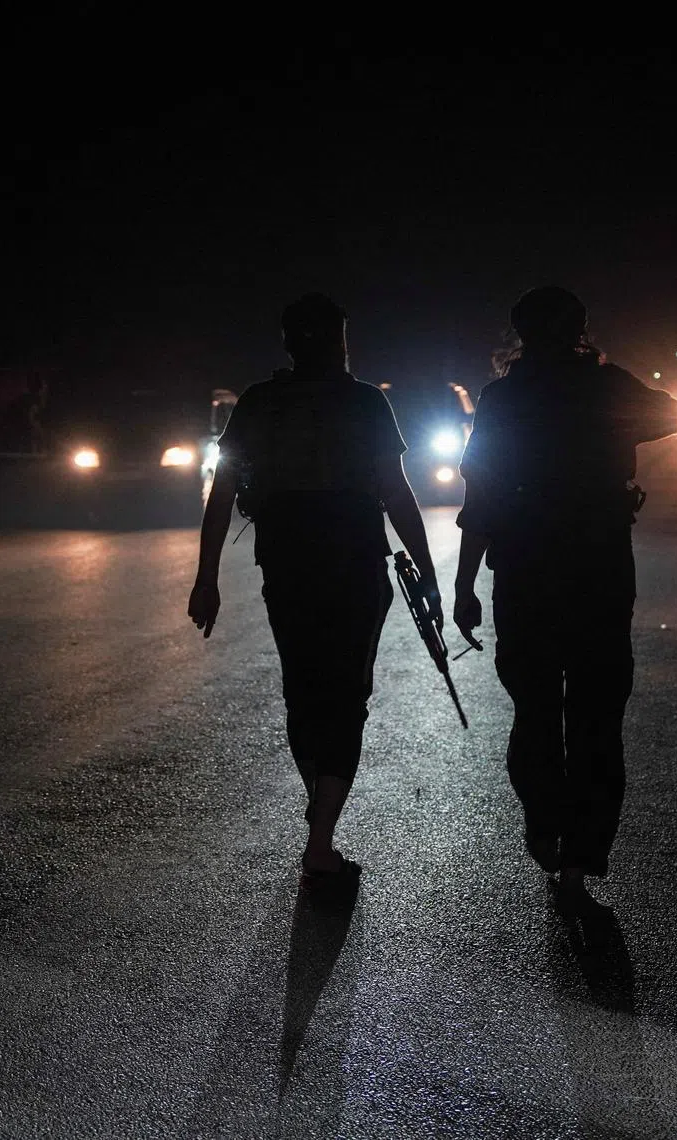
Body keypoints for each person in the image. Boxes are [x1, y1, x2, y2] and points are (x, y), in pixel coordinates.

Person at [187, 294, 442, 883]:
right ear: (339, 341)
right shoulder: (363, 402)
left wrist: (206, 581)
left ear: (287, 343)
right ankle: (321, 835)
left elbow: (222, 497)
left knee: (304, 693)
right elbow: (396, 492)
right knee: (346, 694)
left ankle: (320, 820)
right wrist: (428, 574)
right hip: (353, 563)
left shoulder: (259, 402)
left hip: (288, 563)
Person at [452, 286, 677, 913]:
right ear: (582, 329)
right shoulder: (606, 387)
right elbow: (675, 414)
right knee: (597, 712)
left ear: (520, 334)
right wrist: (602, 380)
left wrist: (464, 583)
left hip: (527, 573)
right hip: (600, 571)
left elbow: (483, 496)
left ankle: (547, 825)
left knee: (535, 708)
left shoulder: (505, 398)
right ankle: (584, 846)